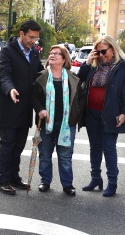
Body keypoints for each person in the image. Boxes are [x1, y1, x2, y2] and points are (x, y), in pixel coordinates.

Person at [77, 35, 125, 197]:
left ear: (113, 49)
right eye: (98, 52)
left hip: (110, 115)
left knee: (109, 148)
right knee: (94, 147)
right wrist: (88, 62)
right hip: (91, 114)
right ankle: (96, 178)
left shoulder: (123, 67)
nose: (101, 55)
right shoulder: (94, 66)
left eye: (104, 52)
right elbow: (79, 79)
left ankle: (112, 182)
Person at [0, 19, 44, 195]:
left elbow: (40, 75)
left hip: (25, 110)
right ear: (22, 34)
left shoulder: (34, 54)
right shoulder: (7, 52)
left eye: (36, 38)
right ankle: (3, 180)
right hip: (10, 107)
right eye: (31, 37)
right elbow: (3, 76)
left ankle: (14, 177)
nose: (33, 41)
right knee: (7, 145)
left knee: (19, 146)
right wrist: (10, 90)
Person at [32, 45, 83, 196]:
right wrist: (40, 109)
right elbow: (33, 97)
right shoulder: (40, 77)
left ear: (64, 58)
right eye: (51, 53)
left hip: (66, 125)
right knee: (45, 155)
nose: (52, 55)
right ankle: (45, 181)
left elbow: (81, 100)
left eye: (56, 53)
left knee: (65, 156)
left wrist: (75, 115)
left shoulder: (73, 79)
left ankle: (68, 185)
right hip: (46, 124)